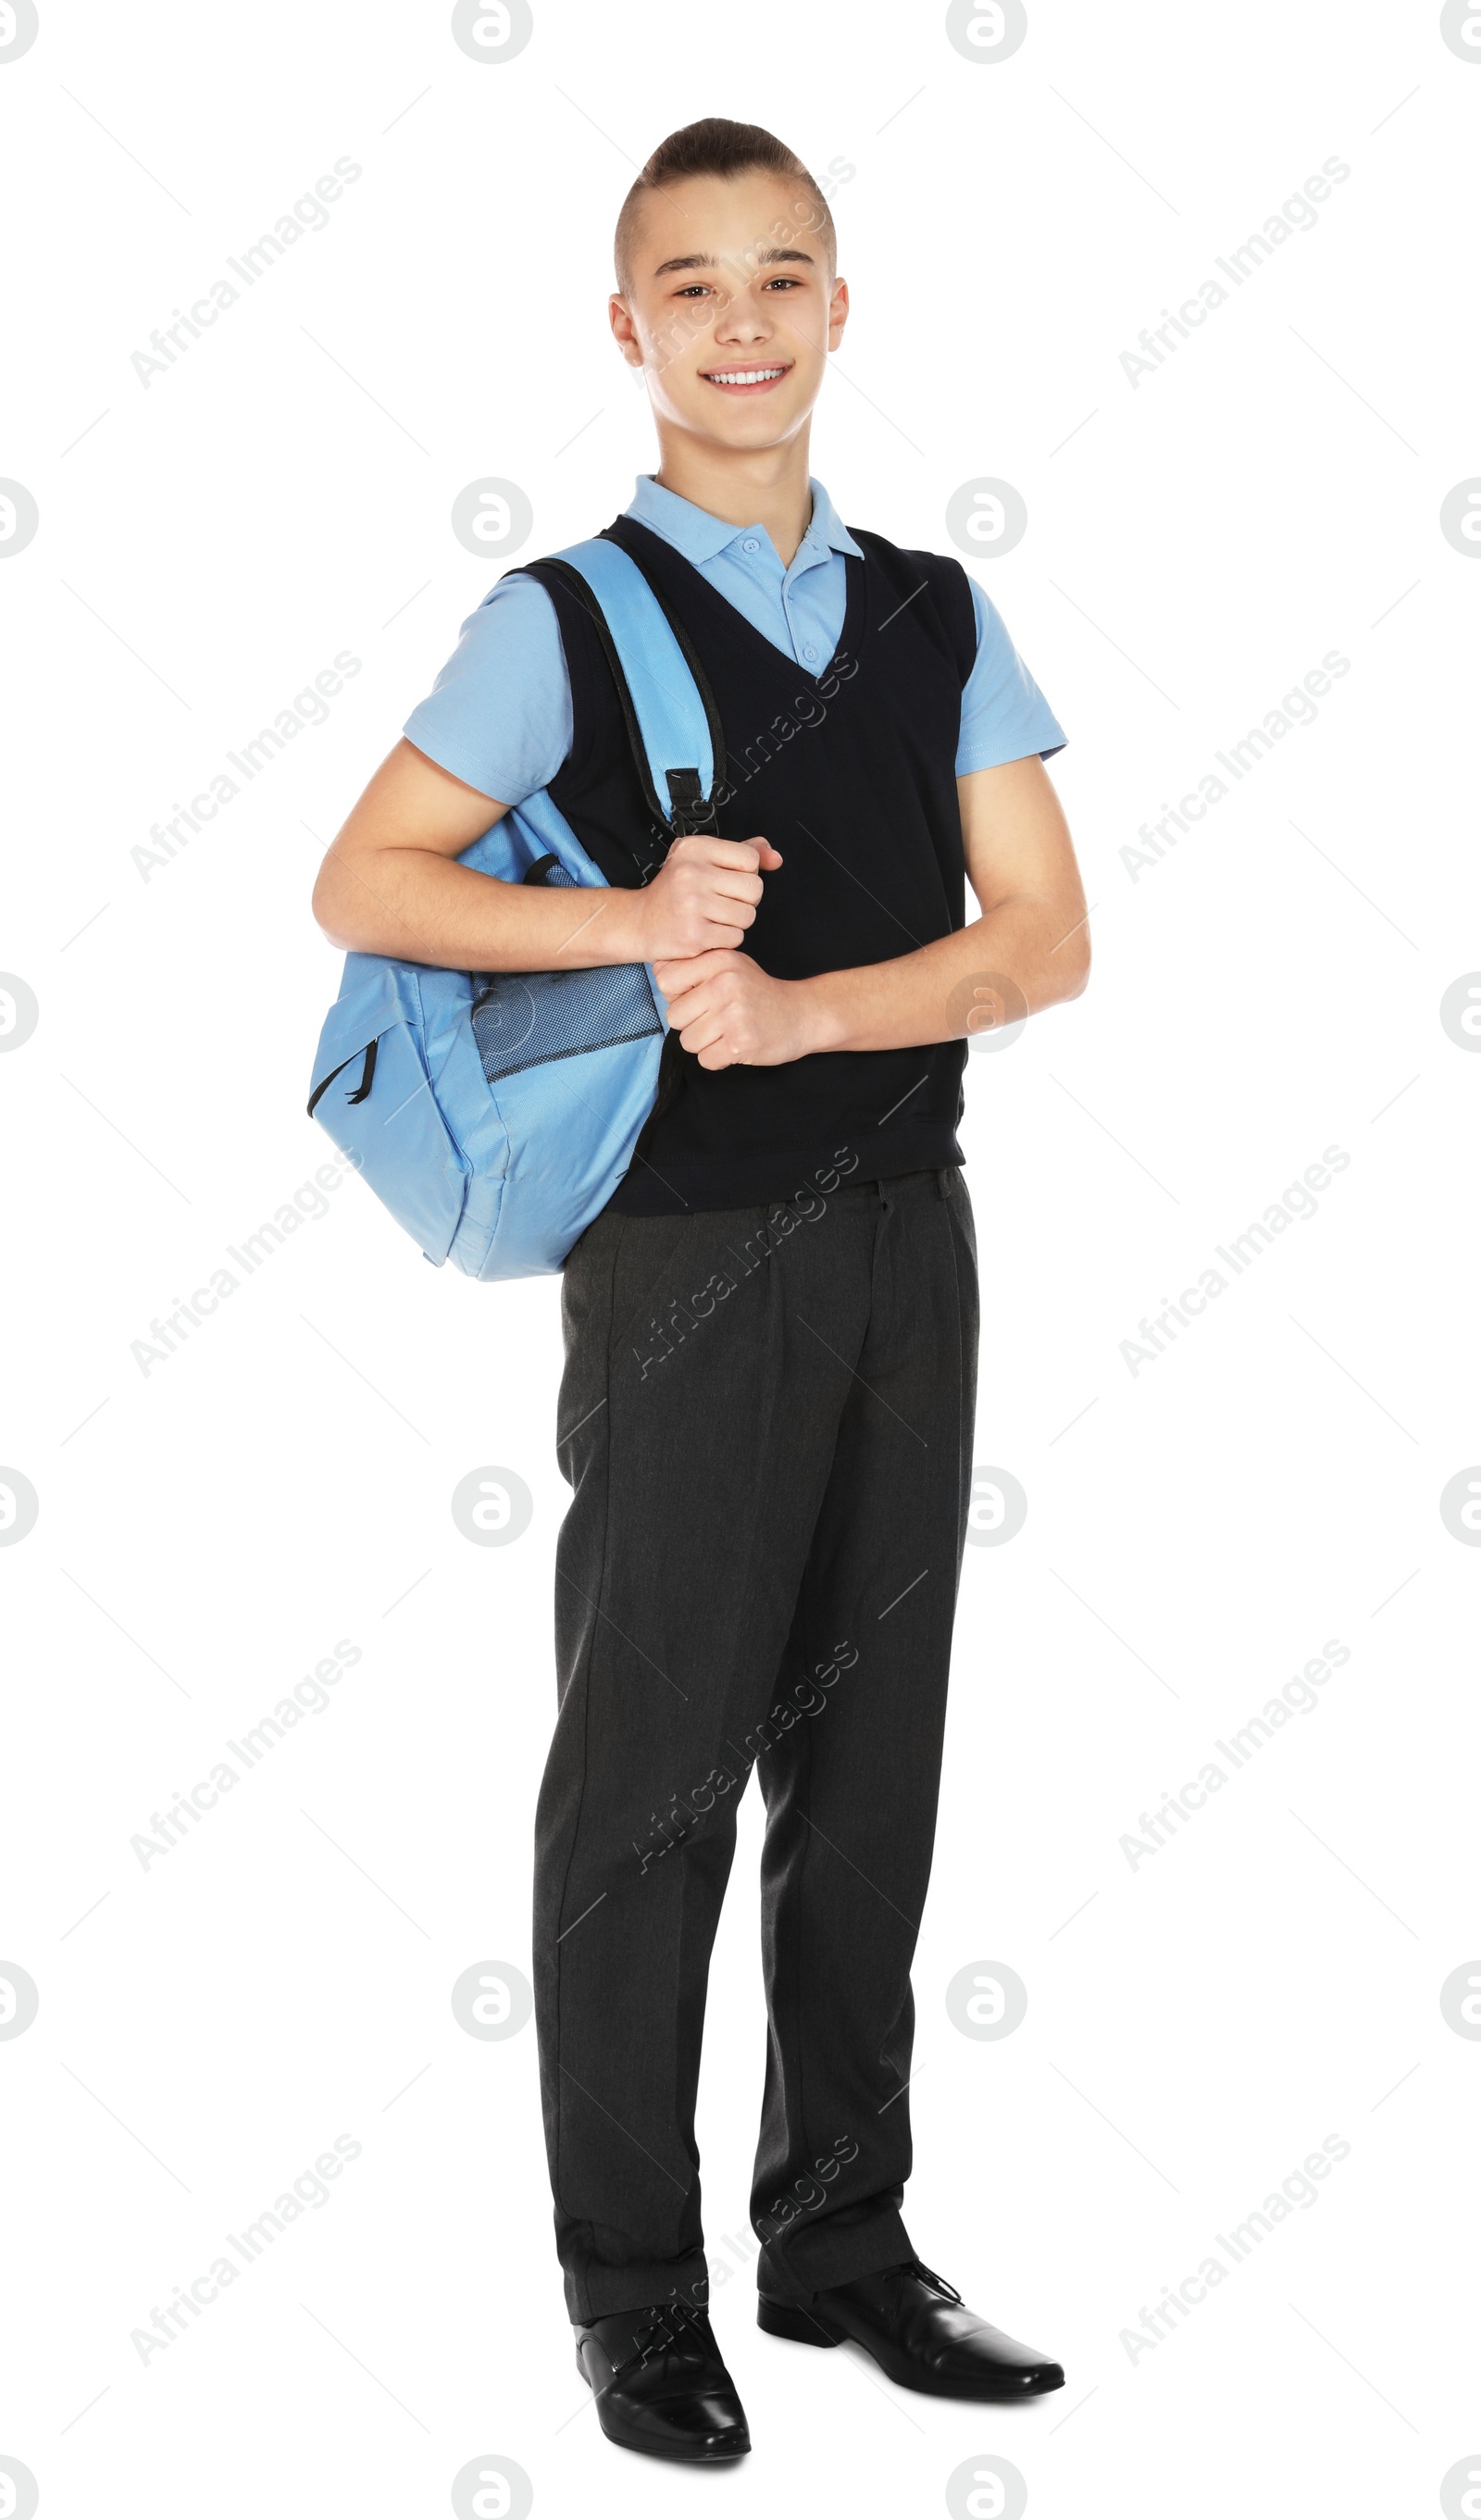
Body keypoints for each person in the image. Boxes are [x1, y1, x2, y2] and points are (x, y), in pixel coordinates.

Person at [313, 116, 1089, 2465]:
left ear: (838, 312)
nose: (739, 323)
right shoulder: (556, 619)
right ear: (625, 328)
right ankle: (633, 2288)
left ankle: (839, 2242)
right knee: (647, 1778)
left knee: (871, 1768)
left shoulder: (935, 609)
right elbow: (367, 875)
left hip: (904, 1234)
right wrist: (640, 927)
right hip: (680, 1264)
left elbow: (1041, 938)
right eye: (691, 285)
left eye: (782, 278)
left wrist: (819, 1011)